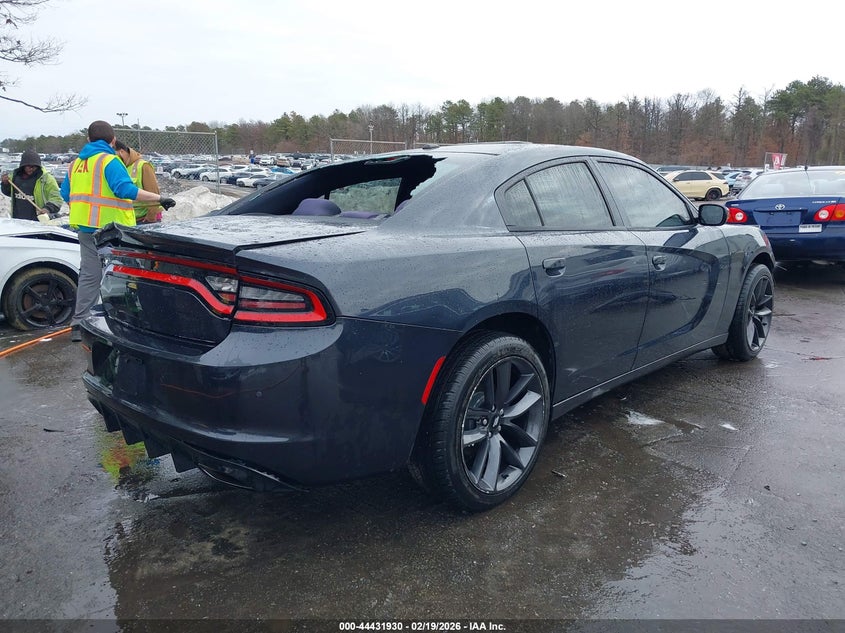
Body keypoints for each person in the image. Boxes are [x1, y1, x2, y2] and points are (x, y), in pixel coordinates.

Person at [60, 120, 175, 342]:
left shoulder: (75, 165)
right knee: (124, 273)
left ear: (88, 140)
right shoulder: (109, 161)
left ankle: (79, 323)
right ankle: (127, 322)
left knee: (90, 275)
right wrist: (159, 198)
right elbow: (125, 189)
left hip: (85, 229)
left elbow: (66, 195)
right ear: (113, 140)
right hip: (111, 231)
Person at [0, 149, 65, 221]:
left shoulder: (46, 179)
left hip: (38, 222)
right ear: (23, 166)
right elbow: (9, 193)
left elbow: (57, 198)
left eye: (33, 167)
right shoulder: (14, 176)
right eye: (28, 166)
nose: (30, 169)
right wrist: (5, 184)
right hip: (18, 220)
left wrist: (47, 209)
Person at [114, 140, 164, 223]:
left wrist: (150, 218)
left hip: (144, 220)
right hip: (128, 219)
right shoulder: (121, 168)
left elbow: (153, 192)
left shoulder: (143, 166)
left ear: (121, 152)